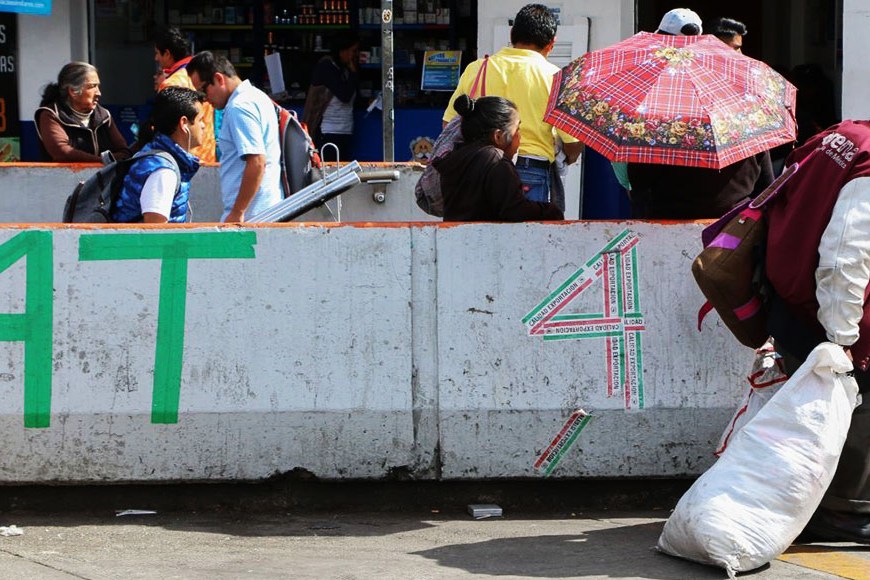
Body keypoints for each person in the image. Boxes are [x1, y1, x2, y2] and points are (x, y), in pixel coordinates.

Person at [763, 120, 870, 545]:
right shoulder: (867, 166)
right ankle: (847, 513)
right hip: (824, 314)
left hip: (794, 302)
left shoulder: (842, 135)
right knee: (856, 408)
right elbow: (845, 257)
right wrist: (841, 340)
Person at [625, 8, 774, 219]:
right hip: (733, 231)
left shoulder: (655, 107)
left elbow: (639, 183)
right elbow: (766, 185)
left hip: (668, 225)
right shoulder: (746, 101)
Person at [443, 4, 582, 211]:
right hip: (531, 170)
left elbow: (449, 124)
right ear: (551, 44)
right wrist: (568, 157)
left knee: (481, 239)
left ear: (512, 34)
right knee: (526, 239)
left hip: (478, 170)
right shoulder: (556, 79)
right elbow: (573, 142)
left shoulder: (477, 69)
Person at [435, 95, 563, 222]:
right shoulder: (496, 161)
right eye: (517, 130)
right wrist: (550, 210)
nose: (519, 136)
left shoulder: (456, 156)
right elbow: (514, 210)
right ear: (498, 136)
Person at [187, 51, 282, 223]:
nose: (205, 100)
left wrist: (238, 212)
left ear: (219, 79)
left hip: (252, 217)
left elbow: (257, 161)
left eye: (203, 90)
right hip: (263, 211)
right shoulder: (257, 97)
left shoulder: (240, 107)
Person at [112, 87, 205, 223]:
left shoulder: (155, 155)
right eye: (200, 120)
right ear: (184, 123)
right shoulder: (163, 170)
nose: (203, 125)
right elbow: (155, 232)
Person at [34, 62, 131, 163]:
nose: (98, 93)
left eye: (98, 86)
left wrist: (105, 162)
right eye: (92, 86)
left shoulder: (104, 116)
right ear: (73, 91)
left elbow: (124, 152)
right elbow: (63, 153)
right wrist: (102, 161)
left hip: (103, 177)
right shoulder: (52, 114)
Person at [153, 26, 217, 163]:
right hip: (208, 157)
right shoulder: (202, 75)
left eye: (158, 53)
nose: (156, 58)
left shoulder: (171, 84)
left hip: (183, 161)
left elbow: (166, 130)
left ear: (167, 54)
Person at [302, 31, 360, 162]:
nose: (355, 55)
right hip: (329, 130)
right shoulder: (327, 67)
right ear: (342, 51)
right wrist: (354, 73)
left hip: (345, 129)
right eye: (353, 51)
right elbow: (344, 95)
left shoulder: (343, 70)